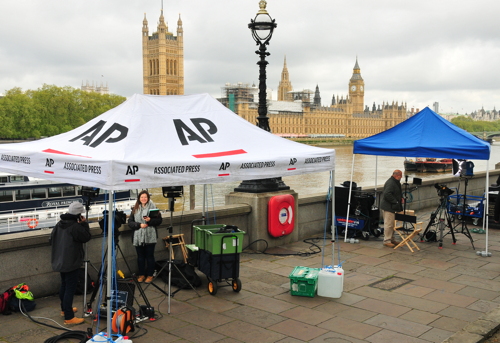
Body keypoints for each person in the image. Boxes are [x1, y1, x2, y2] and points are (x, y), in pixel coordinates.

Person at [50, 201, 91, 325]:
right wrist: (84, 224)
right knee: (70, 288)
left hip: (60, 261)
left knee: (64, 285)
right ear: (78, 214)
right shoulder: (75, 227)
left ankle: (64, 309)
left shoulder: (59, 224)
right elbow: (86, 237)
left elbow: (51, 239)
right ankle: (69, 317)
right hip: (71, 261)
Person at [128, 190, 162, 283]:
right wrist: (139, 225)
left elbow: (159, 221)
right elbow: (130, 222)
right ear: (139, 198)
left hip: (150, 235)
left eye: (145, 197)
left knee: (150, 256)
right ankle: (141, 274)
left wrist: (150, 220)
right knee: (140, 257)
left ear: (148, 198)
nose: (143, 199)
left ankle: (150, 275)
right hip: (138, 236)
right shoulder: (135, 209)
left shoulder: (154, 208)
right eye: (142, 197)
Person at [380, 170, 404, 247]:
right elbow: (387, 194)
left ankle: (392, 239)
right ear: (397, 176)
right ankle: (387, 240)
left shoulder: (396, 182)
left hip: (393, 207)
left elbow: (396, 193)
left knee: (393, 224)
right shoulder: (391, 183)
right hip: (388, 207)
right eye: (401, 176)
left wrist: (401, 198)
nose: (401, 177)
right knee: (389, 224)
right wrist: (395, 201)